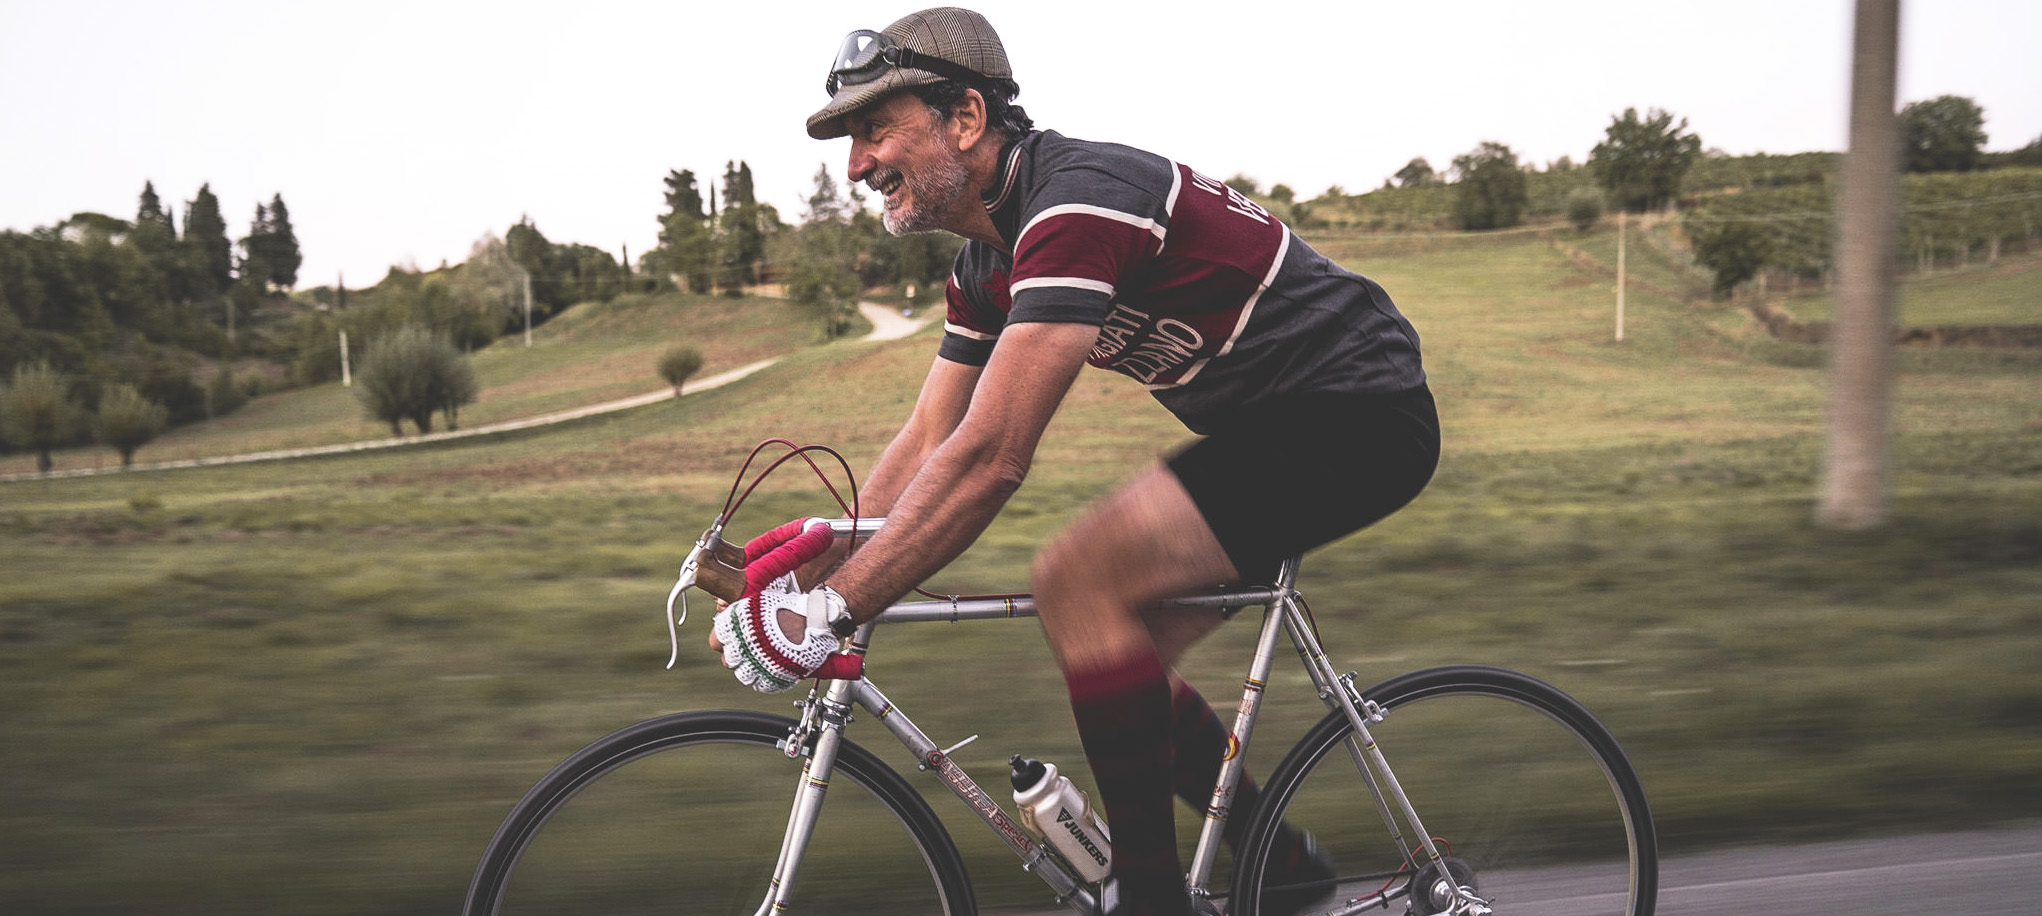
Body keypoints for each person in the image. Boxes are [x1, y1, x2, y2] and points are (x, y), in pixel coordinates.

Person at [710, 8, 1439, 914]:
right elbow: (931, 434)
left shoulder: (1075, 200)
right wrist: (808, 574)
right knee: (1109, 647)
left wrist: (837, 607)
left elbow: (990, 458)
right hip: (1268, 430)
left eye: (875, 128)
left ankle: (1151, 898)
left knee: (1079, 578)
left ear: (966, 120)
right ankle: (1278, 860)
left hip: (1356, 414)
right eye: (851, 139)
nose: (855, 164)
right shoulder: (987, 259)